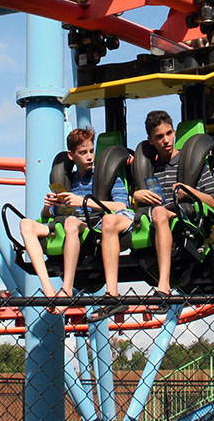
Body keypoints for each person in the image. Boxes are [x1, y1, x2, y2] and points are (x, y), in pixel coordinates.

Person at [92, 110, 214, 321]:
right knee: (109, 220)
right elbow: (130, 205)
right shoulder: (149, 168)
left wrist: (190, 192)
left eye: (169, 133)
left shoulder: (193, 164)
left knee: (160, 212)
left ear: (174, 132)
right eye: (160, 137)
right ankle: (112, 296)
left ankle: (164, 289)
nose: (166, 140)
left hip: (186, 223)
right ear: (151, 140)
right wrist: (136, 195)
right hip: (148, 219)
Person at [19, 127, 131, 310]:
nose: (89, 157)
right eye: (83, 153)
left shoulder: (108, 178)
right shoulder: (68, 181)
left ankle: (67, 290)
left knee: (71, 223)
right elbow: (48, 217)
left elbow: (122, 206)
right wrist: (48, 205)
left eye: (91, 151)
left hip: (93, 224)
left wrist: (85, 202)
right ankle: (48, 289)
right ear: (71, 156)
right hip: (67, 221)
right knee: (26, 225)